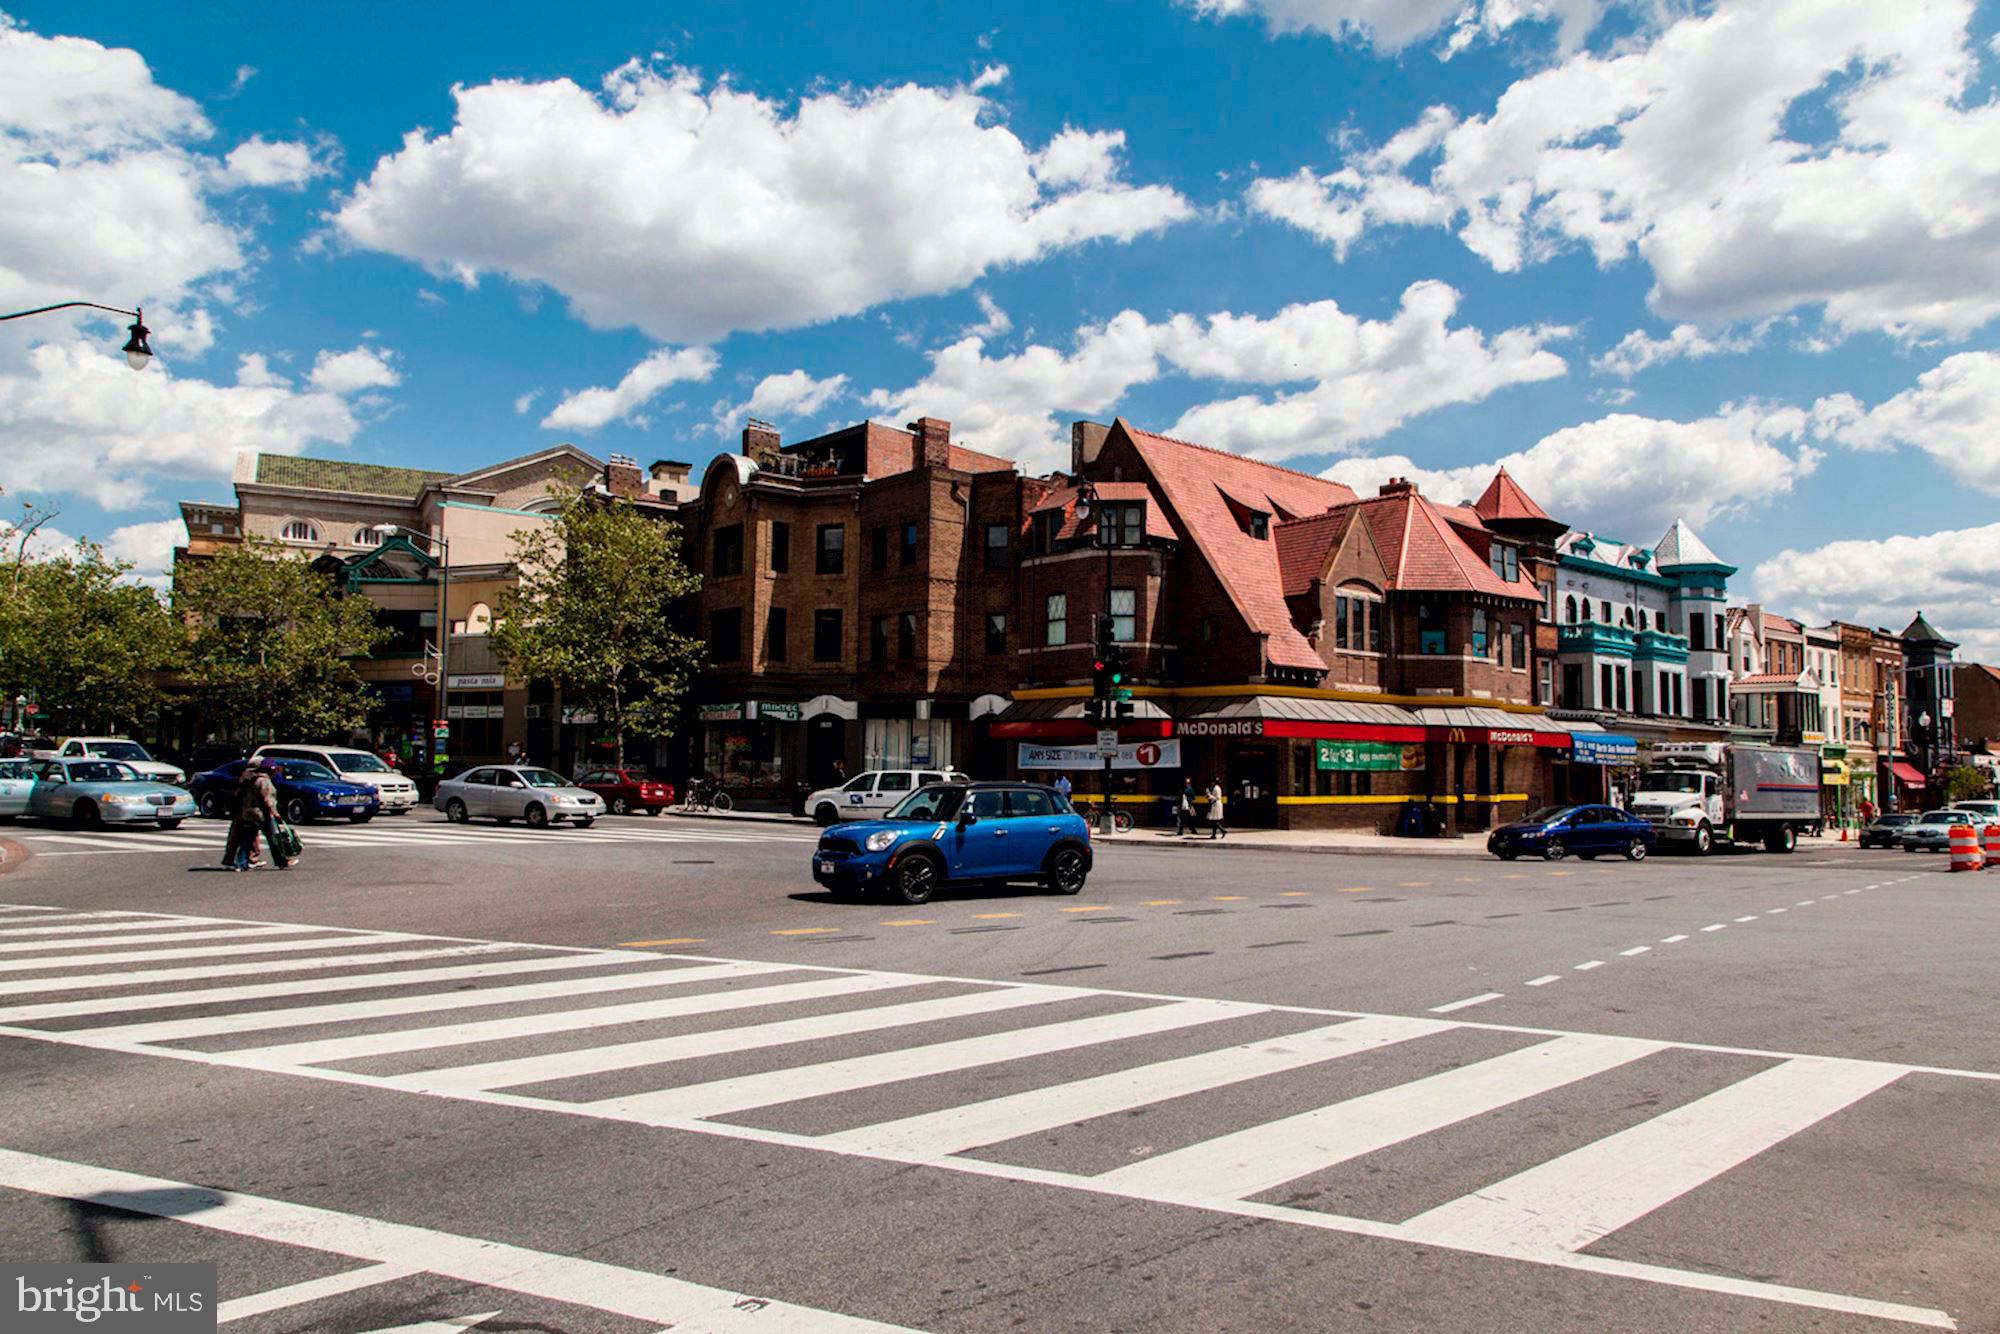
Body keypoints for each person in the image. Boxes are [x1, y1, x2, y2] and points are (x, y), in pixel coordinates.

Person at [226, 760, 288, 871]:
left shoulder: (251, 780)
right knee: (273, 838)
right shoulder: (264, 781)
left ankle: (241, 863)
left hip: (248, 811)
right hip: (261, 814)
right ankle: (280, 861)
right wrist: (275, 813)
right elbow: (267, 799)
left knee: (247, 839)